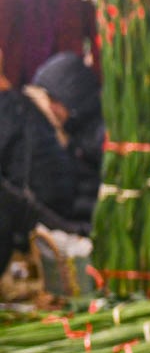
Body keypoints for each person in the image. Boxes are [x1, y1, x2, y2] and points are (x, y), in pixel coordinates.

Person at [0, 52, 100, 259]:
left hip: (82, 236)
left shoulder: (95, 138)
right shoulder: (69, 136)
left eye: (54, 99)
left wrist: (77, 231)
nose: (51, 108)